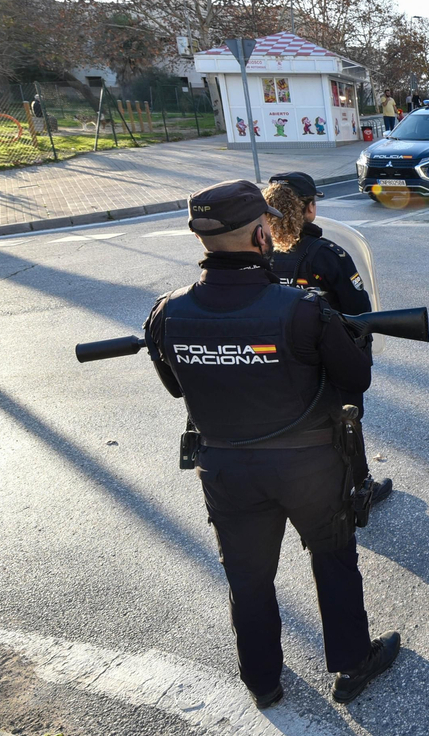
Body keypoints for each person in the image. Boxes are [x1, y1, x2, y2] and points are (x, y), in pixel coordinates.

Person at [142, 180, 400, 707]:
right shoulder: (301, 309)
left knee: (248, 576)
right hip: (309, 469)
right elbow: (357, 377)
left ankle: (262, 682)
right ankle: (351, 664)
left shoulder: (168, 312)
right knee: (332, 559)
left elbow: (175, 386)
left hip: (226, 471)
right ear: (261, 234)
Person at [262, 172, 372, 316]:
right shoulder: (327, 255)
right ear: (310, 208)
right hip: (320, 337)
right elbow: (359, 311)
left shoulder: (257, 252)